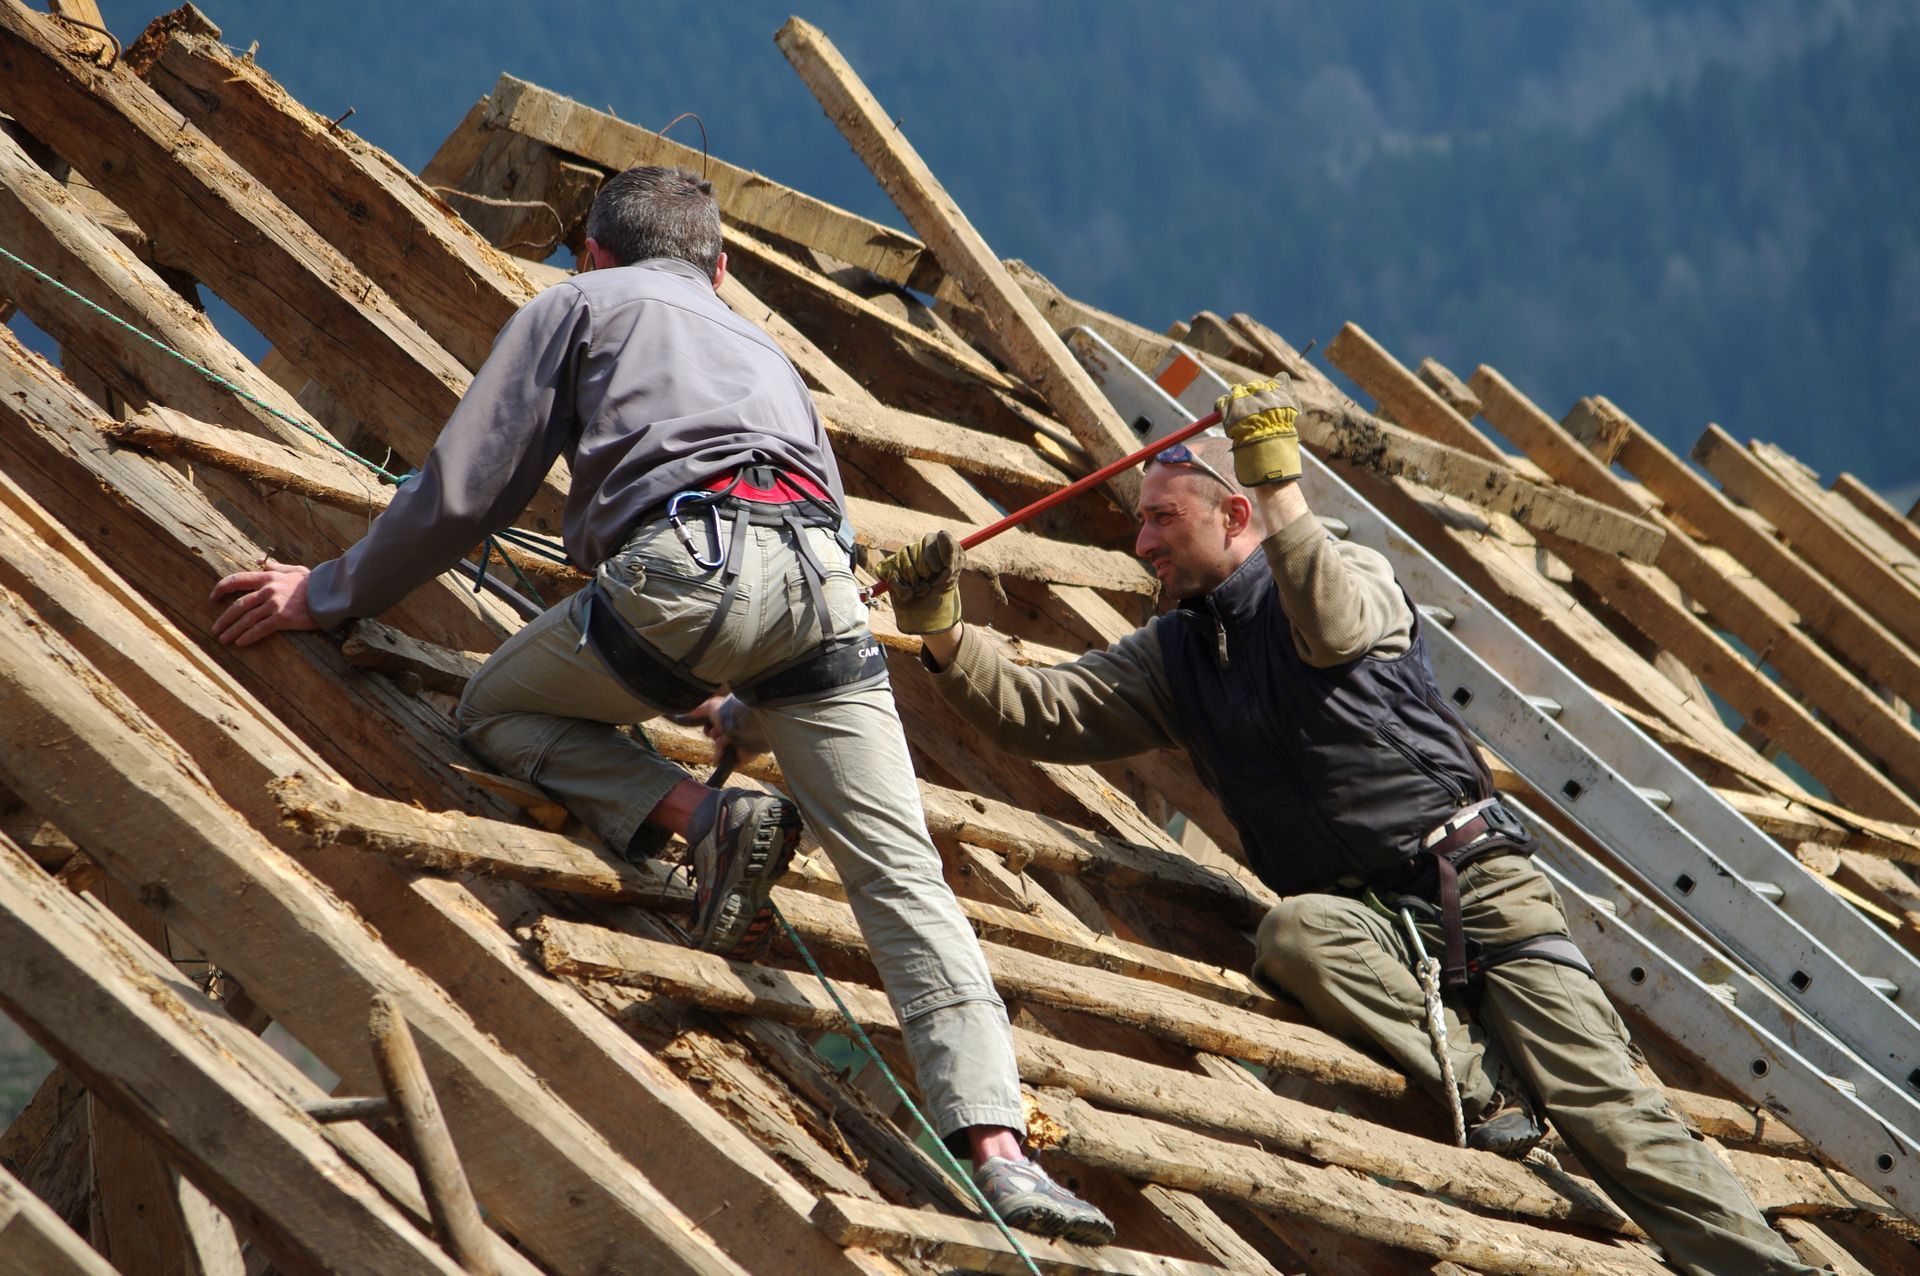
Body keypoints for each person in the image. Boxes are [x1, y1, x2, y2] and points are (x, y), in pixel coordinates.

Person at [206, 165, 1114, 1245]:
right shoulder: (768, 353)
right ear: (720, 267)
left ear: (593, 251)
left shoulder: (578, 304)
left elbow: (462, 493)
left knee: (493, 707)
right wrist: (748, 706)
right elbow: (804, 540)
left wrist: (328, 590)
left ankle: (704, 816)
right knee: (902, 871)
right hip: (826, 596)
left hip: (687, 576)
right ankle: (1004, 1153)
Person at [841, 378, 1815, 1275]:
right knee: (1295, 935)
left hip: (1476, 890)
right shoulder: (1179, 653)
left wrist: (1282, 485)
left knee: (1611, 1117)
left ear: (1236, 515)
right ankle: (1487, 1087)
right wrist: (944, 633)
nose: (1141, 544)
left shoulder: (1349, 573)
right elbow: (1046, 713)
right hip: (1360, 923)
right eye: (1142, 520)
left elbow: (1335, 628)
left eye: (1162, 518)